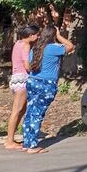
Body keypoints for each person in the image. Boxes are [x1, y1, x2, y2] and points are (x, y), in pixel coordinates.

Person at [22, 25, 75, 153]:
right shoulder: (52, 48)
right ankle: (33, 146)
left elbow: (29, 66)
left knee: (30, 112)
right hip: (46, 84)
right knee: (37, 114)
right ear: (53, 35)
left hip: (32, 81)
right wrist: (59, 36)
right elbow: (70, 46)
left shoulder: (36, 48)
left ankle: (27, 142)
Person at [4, 24, 40, 150]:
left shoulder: (18, 43)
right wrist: (36, 68)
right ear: (30, 35)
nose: (38, 37)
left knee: (20, 110)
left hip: (15, 78)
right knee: (17, 111)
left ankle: (11, 138)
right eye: (36, 35)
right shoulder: (26, 45)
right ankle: (9, 141)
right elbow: (27, 65)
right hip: (22, 79)